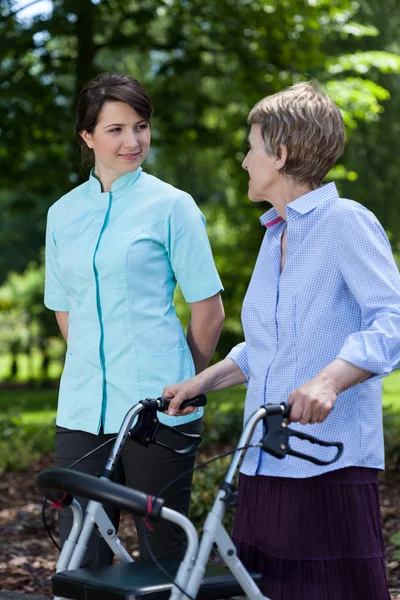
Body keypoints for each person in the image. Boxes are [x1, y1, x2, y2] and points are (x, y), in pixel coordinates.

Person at [163, 82, 400, 599]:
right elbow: (266, 347)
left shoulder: (346, 223)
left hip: (326, 460)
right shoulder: (275, 235)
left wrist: (330, 382)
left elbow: (392, 321)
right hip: (263, 458)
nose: (245, 160)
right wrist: (200, 382)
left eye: (252, 147)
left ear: (283, 152)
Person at [44, 71, 224, 567]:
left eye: (140, 126)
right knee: (81, 554)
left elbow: (208, 310)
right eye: (116, 129)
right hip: (81, 409)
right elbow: (64, 305)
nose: (132, 141)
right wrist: (89, 364)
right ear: (87, 136)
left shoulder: (173, 207)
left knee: (164, 552)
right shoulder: (62, 214)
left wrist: (183, 381)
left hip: (158, 408)